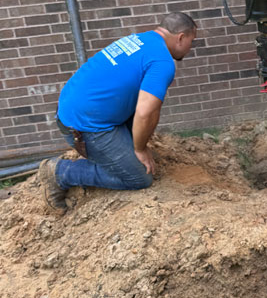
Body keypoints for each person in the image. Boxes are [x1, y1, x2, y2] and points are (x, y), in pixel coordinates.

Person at [38, 12, 197, 214]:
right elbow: (145, 112)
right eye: (191, 41)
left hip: (76, 110)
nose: (190, 48)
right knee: (139, 177)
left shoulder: (139, 39)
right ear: (181, 37)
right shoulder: (162, 61)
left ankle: (121, 154)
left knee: (143, 142)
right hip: (86, 127)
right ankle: (60, 172)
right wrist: (139, 148)